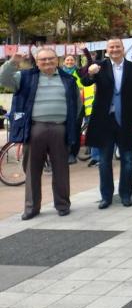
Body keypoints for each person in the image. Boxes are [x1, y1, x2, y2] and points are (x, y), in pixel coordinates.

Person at [1, 49, 80, 220]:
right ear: (37, 62)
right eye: (42, 59)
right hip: (35, 128)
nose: (47, 62)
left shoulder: (68, 79)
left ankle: (62, 205)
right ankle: (32, 208)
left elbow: (76, 104)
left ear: (57, 60)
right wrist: (13, 62)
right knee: (32, 170)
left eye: (50, 58)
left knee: (61, 169)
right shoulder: (25, 77)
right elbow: (3, 79)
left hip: (60, 128)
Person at [81, 39, 132, 209]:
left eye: (118, 46)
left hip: (127, 120)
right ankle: (106, 196)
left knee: (127, 160)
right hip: (104, 120)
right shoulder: (99, 67)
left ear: (123, 49)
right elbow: (85, 82)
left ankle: (125, 194)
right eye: (111, 47)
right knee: (104, 161)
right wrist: (90, 73)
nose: (115, 49)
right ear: (107, 50)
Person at [61, 54, 83, 165]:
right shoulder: (59, 74)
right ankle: (63, 153)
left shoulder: (78, 73)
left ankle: (73, 154)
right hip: (63, 107)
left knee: (75, 131)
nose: (69, 61)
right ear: (64, 62)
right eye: (67, 60)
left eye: (71, 60)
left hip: (77, 103)